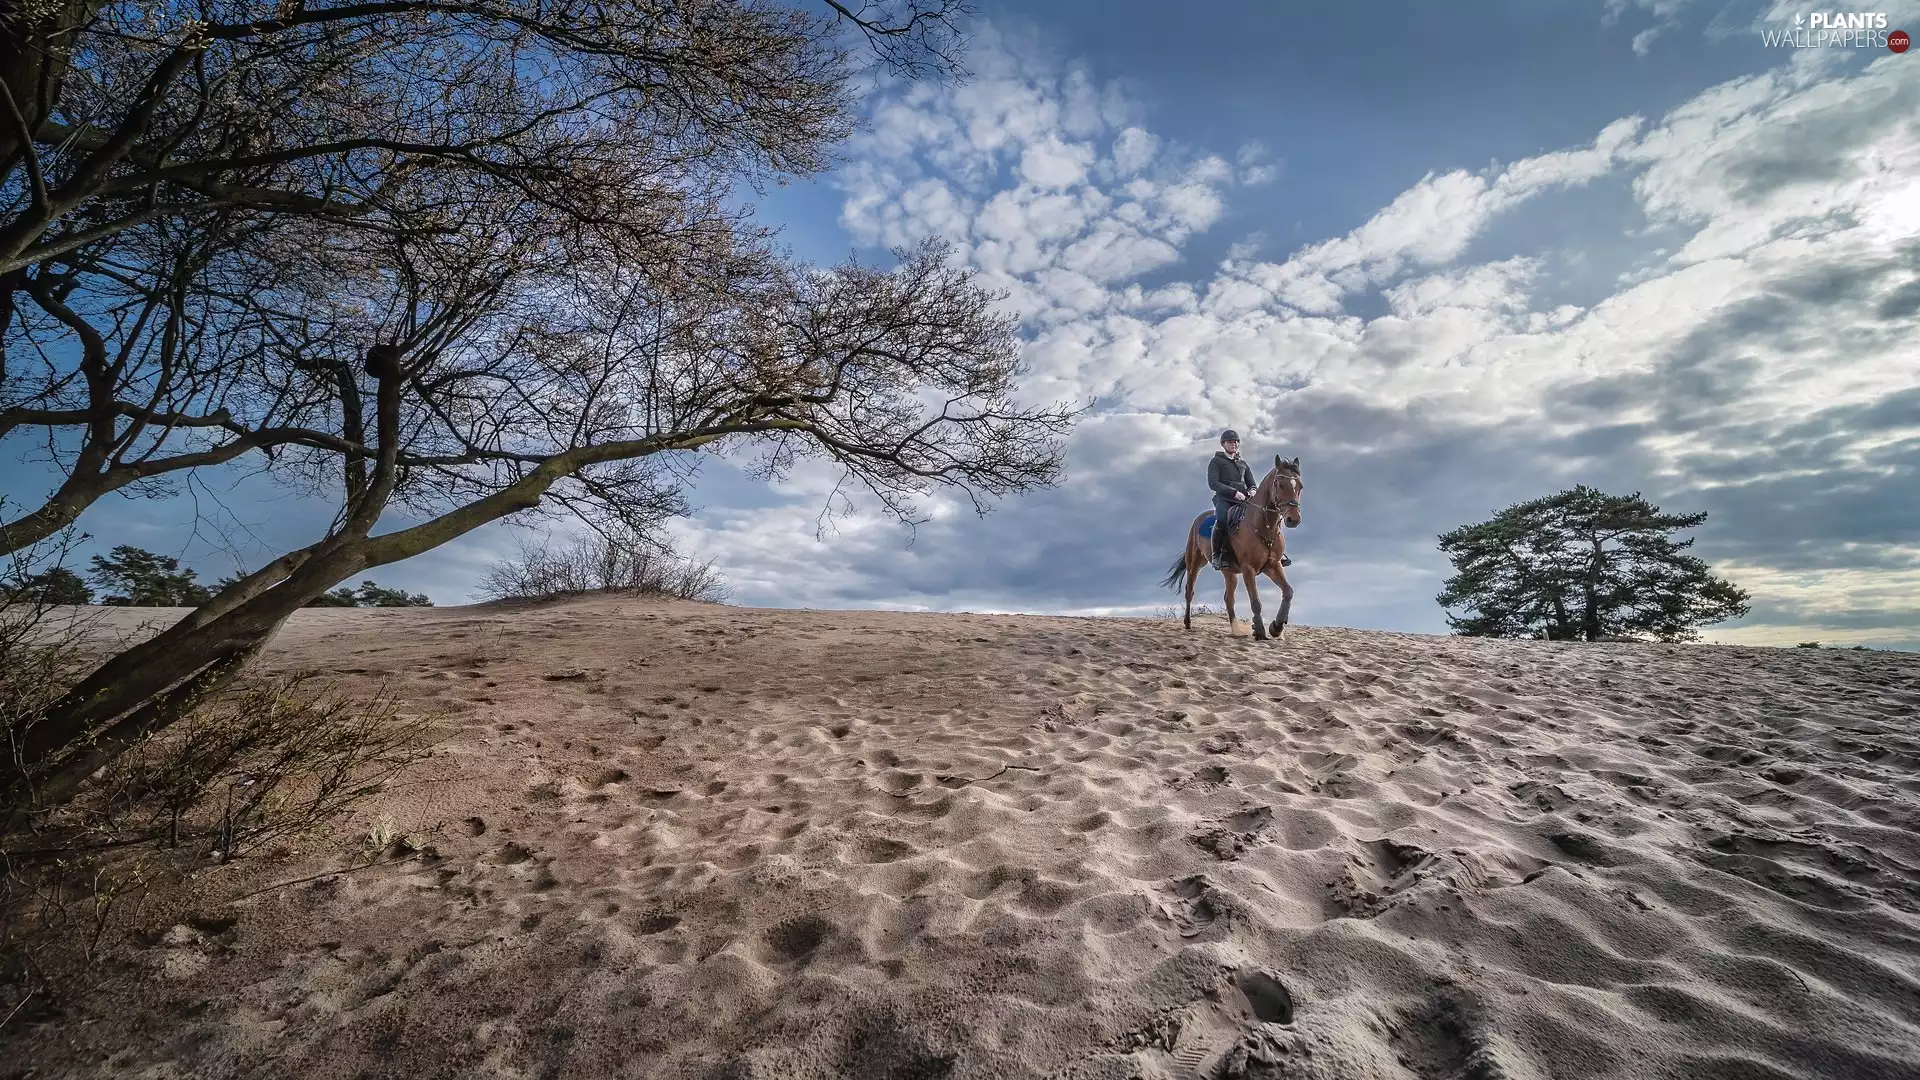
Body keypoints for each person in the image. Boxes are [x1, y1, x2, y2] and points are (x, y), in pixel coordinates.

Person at [1207, 429, 1256, 569]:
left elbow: (1251, 482)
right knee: (1222, 519)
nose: (1233, 444)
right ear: (1223, 444)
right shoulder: (1216, 461)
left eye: (1235, 442)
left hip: (1244, 500)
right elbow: (1213, 483)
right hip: (1224, 499)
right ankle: (1216, 555)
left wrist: (1252, 490)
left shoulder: (1243, 463)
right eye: (1229, 442)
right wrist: (1234, 493)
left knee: (1262, 516)